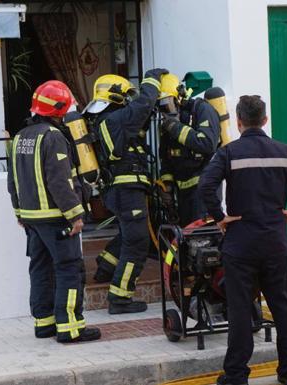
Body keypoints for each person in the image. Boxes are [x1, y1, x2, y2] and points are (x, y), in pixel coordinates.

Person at [198, 95, 287, 385]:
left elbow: (206, 185)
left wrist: (219, 216)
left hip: (240, 243)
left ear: (239, 121)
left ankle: (236, 376)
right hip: (275, 242)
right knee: (283, 308)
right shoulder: (285, 151)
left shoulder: (229, 153)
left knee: (241, 310)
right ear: (265, 121)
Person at [7, 80, 101, 343]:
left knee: (40, 269)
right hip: (56, 218)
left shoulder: (18, 138)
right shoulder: (53, 137)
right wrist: (75, 215)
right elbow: (59, 181)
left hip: (31, 220)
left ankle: (44, 323)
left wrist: (19, 213)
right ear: (58, 109)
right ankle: (71, 328)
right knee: (69, 269)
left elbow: (12, 182)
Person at [87, 68, 168, 314]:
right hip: (127, 190)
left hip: (119, 191)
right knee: (138, 242)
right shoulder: (115, 119)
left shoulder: (102, 120)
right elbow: (143, 105)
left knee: (129, 233)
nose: (128, 100)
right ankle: (120, 298)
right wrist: (152, 79)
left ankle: (105, 267)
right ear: (116, 96)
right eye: (125, 96)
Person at [157, 73, 221, 226]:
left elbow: (206, 143)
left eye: (167, 103)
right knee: (187, 240)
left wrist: (176, 128)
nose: (165, 109)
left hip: (205, 191)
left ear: (179, 96)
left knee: (204, 241)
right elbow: (165, 159)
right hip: (183, 195)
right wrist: (168, 186)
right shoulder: (167, 126)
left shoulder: (201, 109)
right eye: (160, 106)